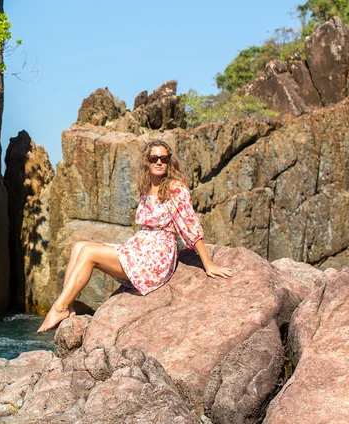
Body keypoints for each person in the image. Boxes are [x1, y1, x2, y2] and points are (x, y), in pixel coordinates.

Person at [37, 139, 233, 333]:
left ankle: (60, 308)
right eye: (154, 158)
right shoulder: (146, 187)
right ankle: (67, 304)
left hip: (156, 256)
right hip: (140, 247)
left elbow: (190, 224)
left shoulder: (175, 188)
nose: (159, 162)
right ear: (146, 161)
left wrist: (208, 264)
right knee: (79, 246)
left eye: (163, 159)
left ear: (169, 161)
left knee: (88, 253)